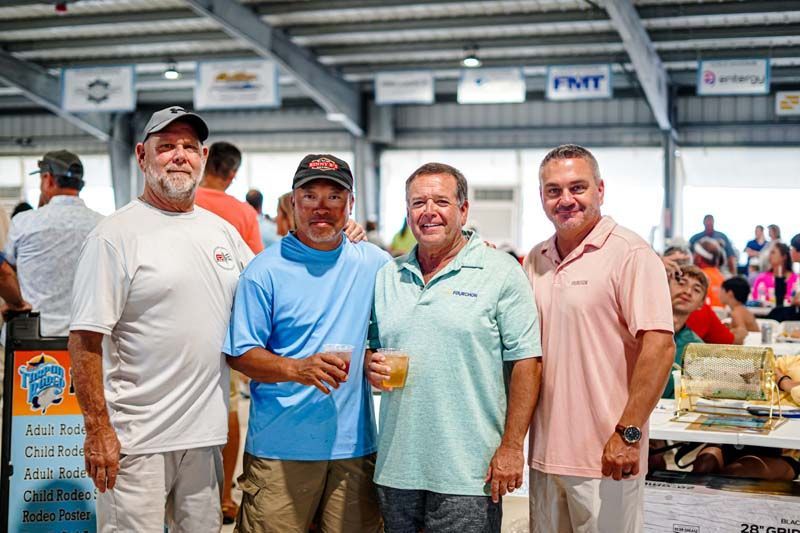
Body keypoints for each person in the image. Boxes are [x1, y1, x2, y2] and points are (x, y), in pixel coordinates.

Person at [69, 106, 254, 533]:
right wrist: (97, 429)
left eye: (189, 146)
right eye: (166, 146)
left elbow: (269, 286)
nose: (179, 155)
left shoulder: (222, 232)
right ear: (142, 155)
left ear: (203, 157)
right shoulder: (114, 236)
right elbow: (84, 340)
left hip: (204, 439)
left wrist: (340, 239)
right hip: (136, 443)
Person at [366, 163, 542, 533]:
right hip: (397, 468)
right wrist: (370, 365)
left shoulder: (500, 271)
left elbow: (527, 363)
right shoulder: (388, 276)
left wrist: (512, 447)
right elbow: (374, 347)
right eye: (418, 203)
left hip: (470, 474)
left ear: (463, 210)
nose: (428, 211)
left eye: (441, 202)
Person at [223, 154, 388, 533]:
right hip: (280, 449)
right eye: (310, 196)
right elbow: (241, 354)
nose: (321, 207)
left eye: (334, 197)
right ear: (293, 202)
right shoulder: (264, 271)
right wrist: (296, 368)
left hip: (355, 448)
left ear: (351, 203)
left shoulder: (374, 264)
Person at [523, 144, 674, 532]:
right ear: (542, 197)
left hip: (608, 457)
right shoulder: (536, 259)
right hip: (544, 455)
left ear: (600, 190)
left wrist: (629, 434)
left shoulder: (631, 254)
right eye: (554, 190)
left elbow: (660, 347)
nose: (566, 200)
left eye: (578, 187)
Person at [3, 150, 103, 336]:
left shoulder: (24, 222)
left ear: (48, 179)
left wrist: (15, 303)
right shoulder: (102, 225)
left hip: (30, 337)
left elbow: (6, 270)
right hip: (87, 337)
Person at [195, 141, 263, 255]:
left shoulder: (181, 203)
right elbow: (256, 259)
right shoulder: (246, 213)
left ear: (204, 165)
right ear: (232, 174)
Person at [662, 264, 707, 399]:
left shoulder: (696, 348)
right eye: (681, 283)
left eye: (696, 289)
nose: (687, 292)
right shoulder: (636, 332)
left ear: (701, 304)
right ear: (665, 287)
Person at [692, 238, 725, 307]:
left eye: (695, 253)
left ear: (699, 258)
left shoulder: (699, 277)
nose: (693, 256)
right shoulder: (721, 277)